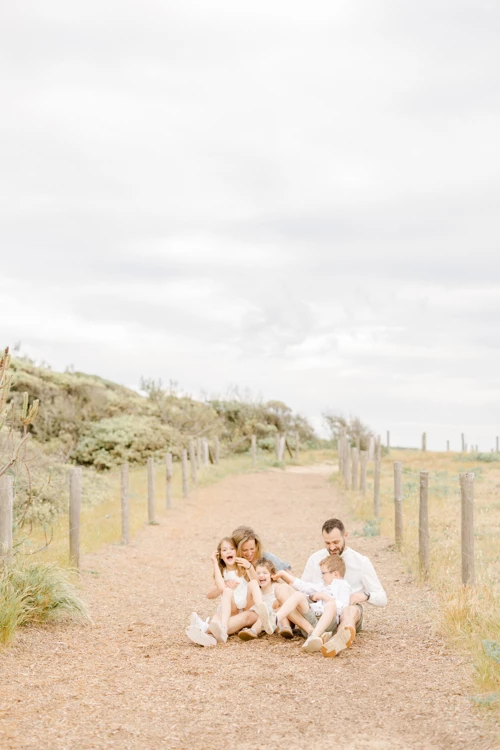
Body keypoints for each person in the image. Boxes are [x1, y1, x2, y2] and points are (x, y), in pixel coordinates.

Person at [301, 517, 387, 657]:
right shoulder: (315, 559)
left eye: (336, 542)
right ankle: (318, 635)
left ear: (345, 535)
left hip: (347, 609)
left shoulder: (361, 562)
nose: (332, 547)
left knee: (350, 610)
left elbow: (383, 598)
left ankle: (339, 639)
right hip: (320, 611)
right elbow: (302, 588)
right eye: (327, 543)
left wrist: (366, 595)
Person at [186, 537, 258, 647]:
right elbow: (212, 593)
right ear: (220, 555)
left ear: (237, 551)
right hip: (230, 610)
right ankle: (209, 636)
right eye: (224, 550)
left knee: (217, 621)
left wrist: (249, 567)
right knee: (217, 616)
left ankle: (204, 629)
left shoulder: (242, 568)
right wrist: (215, 563)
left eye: (231, 548)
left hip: (243, 607)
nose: (228, 551)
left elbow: (255, 582)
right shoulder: (222, 573)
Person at [272, 554, 351, 653]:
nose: (322, 577)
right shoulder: (323, 585)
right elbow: (304, 586)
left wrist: (325, 597)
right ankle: (274, 619)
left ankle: (314, 637)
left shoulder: (343, 586)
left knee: (331, 605)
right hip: (313, 619)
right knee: (298, 595)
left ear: (335, 574)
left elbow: (344, 608)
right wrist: (284, 574)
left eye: (323, 573)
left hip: (328, 623)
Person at [237, 558, 294, 641]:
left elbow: (287, 599)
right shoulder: (257, 592)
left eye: (265, 573)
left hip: (278, 616)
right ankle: (253, 631)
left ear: (271, 575)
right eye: (258, 573)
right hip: (266, 620)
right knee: (263, 617)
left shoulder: (276, 586)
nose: (261, 575)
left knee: (279, 612)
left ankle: (286, 628)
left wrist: (279, 602)